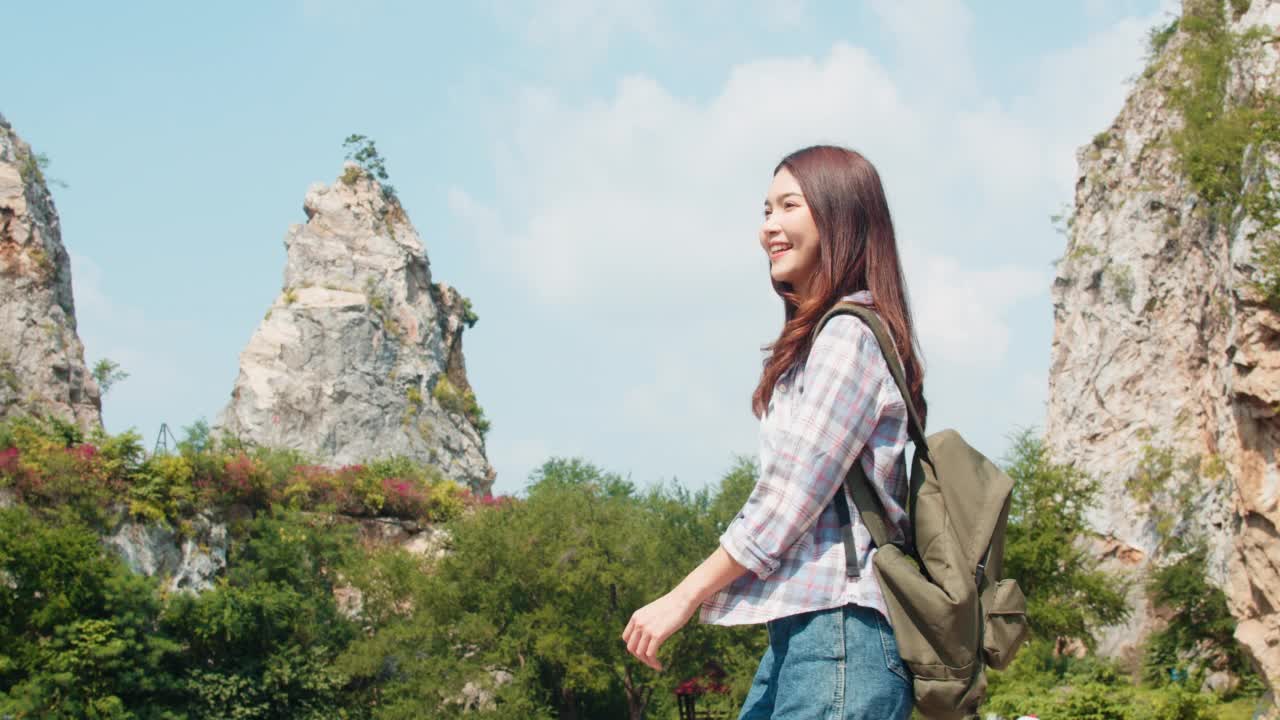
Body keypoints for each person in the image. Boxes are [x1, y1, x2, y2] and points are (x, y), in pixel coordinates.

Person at [621, 144, 927, 719]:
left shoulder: (850, 337)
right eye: (766, 209)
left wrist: (684, 596)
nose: (769, 226)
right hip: (806, 632)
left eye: (789, 205)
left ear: (840, 217)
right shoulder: (824, 340)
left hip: (843, 634)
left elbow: (790, 496)